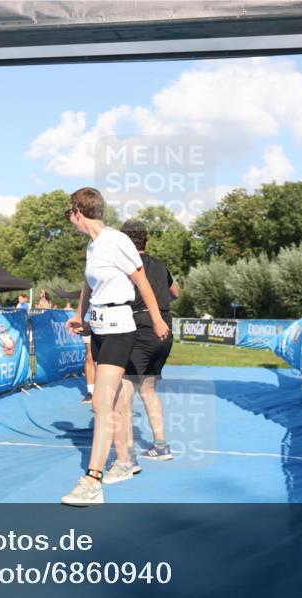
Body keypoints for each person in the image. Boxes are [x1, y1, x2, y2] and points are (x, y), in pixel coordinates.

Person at [62, 187, 169, 506]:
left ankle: (93, 479)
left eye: (69, 214)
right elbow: (88, 284)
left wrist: (158, 319)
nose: (70, 220)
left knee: (101, 403)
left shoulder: (116, 240)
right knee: (111, 402)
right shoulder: (93, 247)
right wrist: (80, 316)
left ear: (78, 212)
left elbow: (142, 281)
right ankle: (125, 459)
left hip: (121, 327)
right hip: (98, 328)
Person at [102, 220, 180, 484]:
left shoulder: (126, 265)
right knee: (149, 389)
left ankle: (129, 458)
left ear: (125, 240)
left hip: (140, 327)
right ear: (147, 239)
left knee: (124, 393)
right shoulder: (160, 265)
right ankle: (161, 446)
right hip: (165, 328)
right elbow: (176, 292)